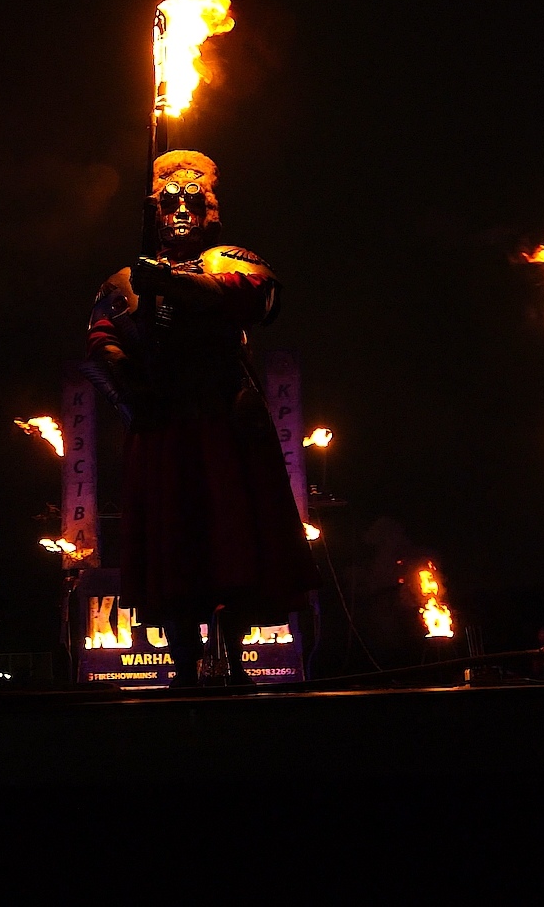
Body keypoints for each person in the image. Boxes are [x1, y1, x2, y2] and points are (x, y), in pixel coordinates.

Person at [85, 150, 320, 687]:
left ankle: (236, 661)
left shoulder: (228, 259)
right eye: (170, 204)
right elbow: (99, 344)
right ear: (155, 215)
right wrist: (131, 387)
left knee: (236, 545)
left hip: (224, 420)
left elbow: (258, 296)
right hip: (163, 424)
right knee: (175, 553)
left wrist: (171, 285)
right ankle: (185, 666)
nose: (181, 212)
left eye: (192, 201)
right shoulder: (124, 281)